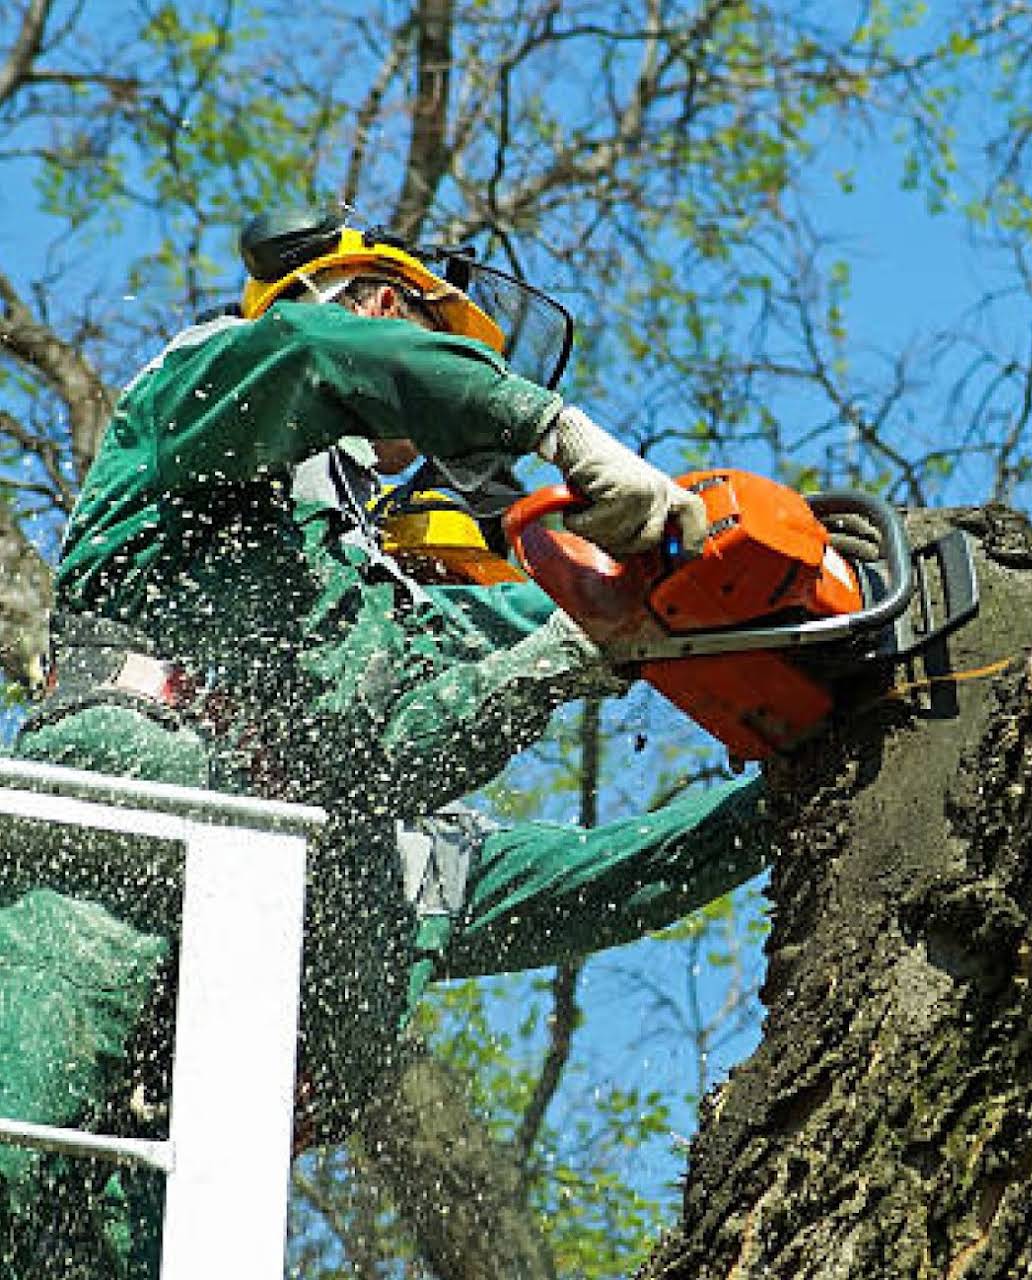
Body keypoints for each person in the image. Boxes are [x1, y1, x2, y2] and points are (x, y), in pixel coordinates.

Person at [0, 211, 796, 1278]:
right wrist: (550, 425)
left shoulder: (355, 619)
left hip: (211, 1060)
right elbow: (311, 356)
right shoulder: (208, 401)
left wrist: (750, 745)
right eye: (433, 337)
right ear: (378, 304)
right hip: (111, 845)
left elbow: (426, 756)